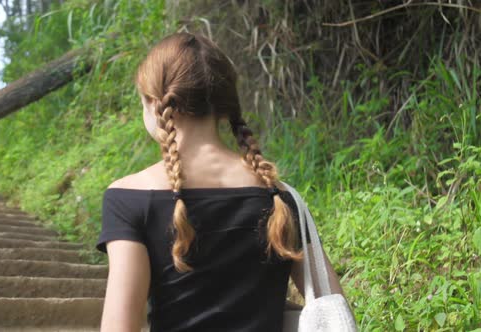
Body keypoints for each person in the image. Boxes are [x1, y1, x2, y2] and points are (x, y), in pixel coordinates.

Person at [95, 32, 348, 332]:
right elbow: (333, 310)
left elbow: (119, 326)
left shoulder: (129, 198)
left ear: (154, 103)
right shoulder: (278, 195)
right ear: (224, 103)